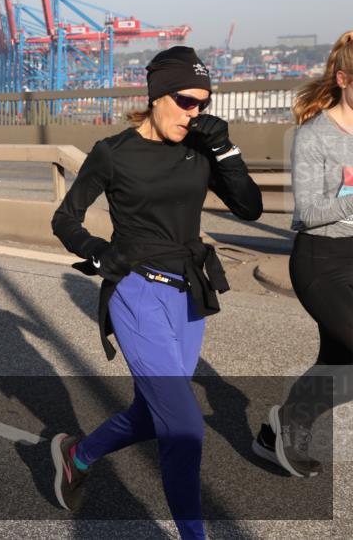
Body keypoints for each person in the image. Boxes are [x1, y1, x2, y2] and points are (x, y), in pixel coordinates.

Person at [50, 46, 262, 539]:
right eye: (187, 102)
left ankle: (77, 455)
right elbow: (65, 218)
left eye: (203, 104)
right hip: (136, 295)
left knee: (156, 412)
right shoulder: (114, 152)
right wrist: (99, 254)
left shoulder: (204, 148)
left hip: (189, 297)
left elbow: (250, 208)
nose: (196, 113)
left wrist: (226, 150)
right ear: (157, 96)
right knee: (185, 429)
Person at [252, 30, 353, 477]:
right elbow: (307, 213)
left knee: (340, 366)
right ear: (344, 78)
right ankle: (289, 421)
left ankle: (278, 430)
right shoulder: (315, 136)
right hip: (321, 262)